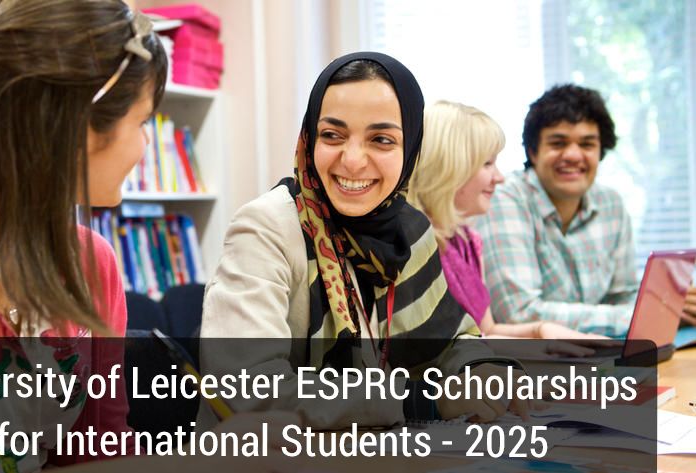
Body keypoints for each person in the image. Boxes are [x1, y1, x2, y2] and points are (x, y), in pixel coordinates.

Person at [0, 1, 295, 471]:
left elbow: (99, 454)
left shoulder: (92, 265)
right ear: (75, 126)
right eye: (142, 122)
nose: (146, 146)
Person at [200, 52, 530, 430]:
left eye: (382, 139)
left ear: (411, 150)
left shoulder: (409, 230)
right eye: (332, 135)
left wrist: (484, 370)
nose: (353, 160)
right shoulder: (266, 229)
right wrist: (418, 399)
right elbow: (246, 389)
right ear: (309, 138)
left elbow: (453, 343)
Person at [409, 100, 607, 348]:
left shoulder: (468, 241)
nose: (499, 178)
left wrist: (542, 330)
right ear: (450, 166)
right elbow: (448, 353)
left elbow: (487, 331)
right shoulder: (415, 248)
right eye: (487, 164)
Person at [476, 84, 638, 337]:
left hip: (594, 357)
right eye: (558, 143)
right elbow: (519, 313)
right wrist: (635, 317)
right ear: (533, 151)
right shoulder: (505, 198)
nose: (573, 155)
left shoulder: (612, 204)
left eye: (587, 144)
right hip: (525, 367)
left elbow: (625, 296)